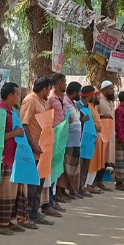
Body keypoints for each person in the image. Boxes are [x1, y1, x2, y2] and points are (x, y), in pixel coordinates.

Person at [0, 82, 32, 235]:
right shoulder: (0, 113)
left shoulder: (12, 112)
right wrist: (15, 133)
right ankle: (0, 224)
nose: (18, 97)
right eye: (17, 94)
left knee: (12, 193)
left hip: (15, 158)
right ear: (10, 95)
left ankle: (8, 221)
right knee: (4, 192)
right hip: (5, 159)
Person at [20, 77, 54, 226]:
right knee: (31, 184)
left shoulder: (43, 102)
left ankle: (35, 211)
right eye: (49, 89)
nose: (49, 92)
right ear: (44, 89)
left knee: (39, 182)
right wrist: (33, 145)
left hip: (43, 148)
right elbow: (24, 124)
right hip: (32, 149)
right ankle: (27, 213)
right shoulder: (30, 100)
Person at [42, 73, 66, 215]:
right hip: (53, 135)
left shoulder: (60, 98)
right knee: (50, 169)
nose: (65, 85)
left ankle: (53, 198)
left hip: (60, 136)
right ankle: (47, 201)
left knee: (56, 168)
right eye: (64, 82)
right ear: (59, 83)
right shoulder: (51, 99)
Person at [58, 81, 84, 199]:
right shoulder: (65, 102)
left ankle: (69, 190)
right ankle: (61, 191)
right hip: (68, 140)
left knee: (73, 166)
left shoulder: (74, 103)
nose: (80, 94)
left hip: (76, 140)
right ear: (74, 92)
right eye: (79, 92)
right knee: (65, 166)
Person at [83, 87, 105, 194]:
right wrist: (97, 125)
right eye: (97, 95)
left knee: (96, 162)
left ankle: (90, 184)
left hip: (97, 137)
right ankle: (86, 184)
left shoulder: (94, 107)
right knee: (91, 162)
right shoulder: (89, 108)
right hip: (91, 137)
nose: (99, 97)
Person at [97, 81, 116, 190]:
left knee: (106, 158)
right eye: (110, 89)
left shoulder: (111, 101)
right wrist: (102, 115)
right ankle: (97, 180)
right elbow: (94, 113)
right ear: (103, 90)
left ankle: (100, 180)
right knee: (101, 157)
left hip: (110, 134)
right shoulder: (99, 100)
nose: (112, 91)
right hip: (102, 134)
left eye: (112, 89)